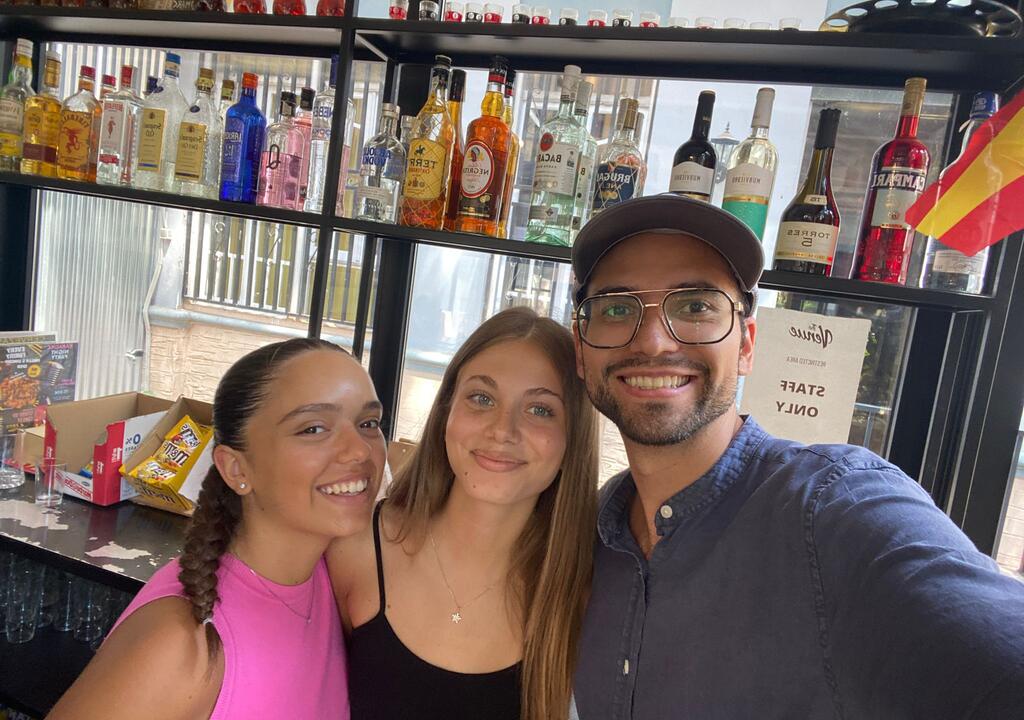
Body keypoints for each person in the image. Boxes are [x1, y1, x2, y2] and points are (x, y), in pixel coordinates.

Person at [569, 194, 1024, 719]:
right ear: (581, 351)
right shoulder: (593, 533)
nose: (653, 341)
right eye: (617, 308)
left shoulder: (837, 510)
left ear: (746, 346)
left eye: (695, 306)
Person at [49, 338, 386, 720]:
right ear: (236, 468)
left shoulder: (339, 581)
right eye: (313, 429)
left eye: (368, 424)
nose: (360, 450)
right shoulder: (178, 642)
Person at [328, 307, 599, 720]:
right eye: (482, 398)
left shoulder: (586, 597)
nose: (502, 430)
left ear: (572, 440)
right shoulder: (355, 550)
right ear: (447, 412)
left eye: (541, 409)